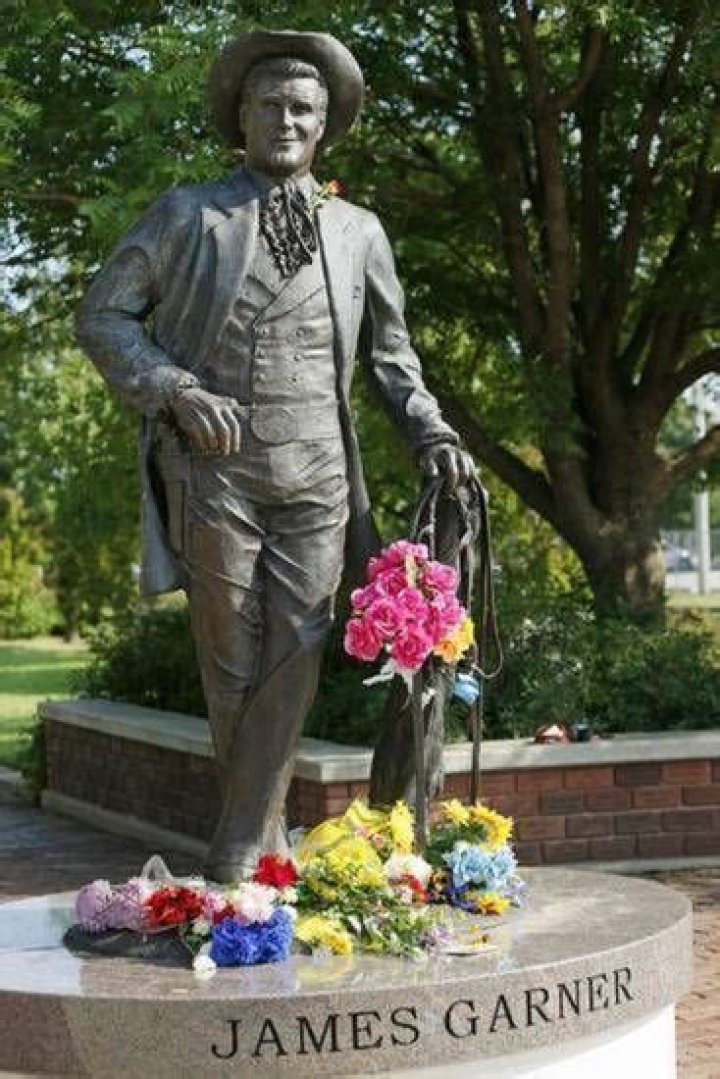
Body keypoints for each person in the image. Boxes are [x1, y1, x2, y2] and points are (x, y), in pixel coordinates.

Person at [77, 30, 474, 882]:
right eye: (271, 105)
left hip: (320, 472)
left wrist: (432, 430)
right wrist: (175, 387)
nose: (287, 120)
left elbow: (392, 360)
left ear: (324, 125)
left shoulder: (359, 231)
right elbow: (103, 316)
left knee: (298, 641)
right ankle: (265, 847)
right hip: (216, 470)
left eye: (303, 107)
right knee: (230, 659)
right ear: (242, 118)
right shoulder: (190, 215)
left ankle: (239, 858)